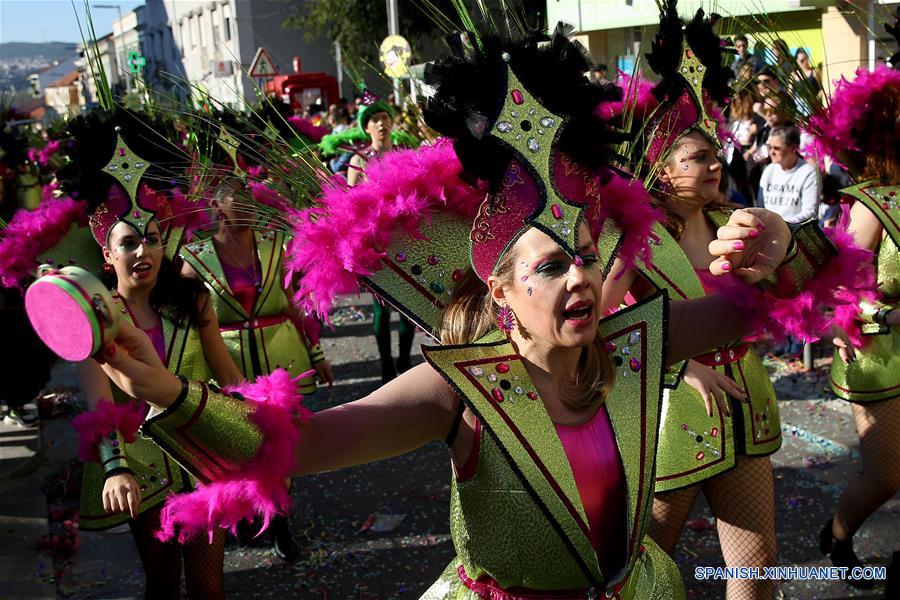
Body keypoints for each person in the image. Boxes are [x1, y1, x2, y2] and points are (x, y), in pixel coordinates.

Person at [87, 23, 864, 599]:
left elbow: (778, 304)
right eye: (551, 266)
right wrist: (166, 393)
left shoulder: (635, 343)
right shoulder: (462, 388)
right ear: (501, 293)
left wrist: (782, 239)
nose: (580, 279)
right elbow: (302, 444)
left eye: (586, 258)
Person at [180, 176, 333, 560]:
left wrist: (316, 355)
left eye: (250, 200)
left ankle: (280, 524)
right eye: (238, 201)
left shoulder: (275, 247)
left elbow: (295, 305)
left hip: (283, 363)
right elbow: (186, 329)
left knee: (283, 445)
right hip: (228, 367)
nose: (248, 207)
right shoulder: (194, 259)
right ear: (217, 209)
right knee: (237, 446)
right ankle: (246, 512)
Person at [807, 62, 900, 591]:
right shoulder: (869, 205)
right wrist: (887, 314)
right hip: (878, 352)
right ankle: (838, 538)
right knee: (886, 476)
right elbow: (835, 292)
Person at [346, 92, 416, 383]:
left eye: (385, 118)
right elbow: (349, 207)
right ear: (367, 127)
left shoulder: (404, 153)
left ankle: (403, 358)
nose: (381, 123)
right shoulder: (358, 161)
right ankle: (387, 363)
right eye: (375, 119)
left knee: (410, 303)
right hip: (376, 241)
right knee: (381, 306)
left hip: (408, 238)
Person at [757, 125, 820, 224]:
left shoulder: (807, 172)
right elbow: (761, 206)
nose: (771, 152)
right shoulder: (769, 170)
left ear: (793, 149)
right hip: (768, 228)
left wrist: (785, 223)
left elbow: (810, 212)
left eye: (777, 148)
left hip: (794, 229)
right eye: (770, 147)